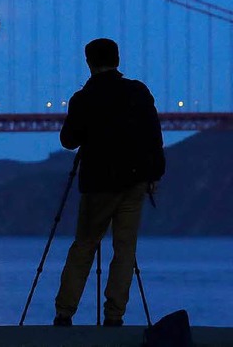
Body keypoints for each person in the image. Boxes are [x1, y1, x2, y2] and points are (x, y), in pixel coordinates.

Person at [53, 38, 165, 327]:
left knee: (85, 245)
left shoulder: (84, 98)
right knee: (125, 249)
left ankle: (65, 313)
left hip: (98, 185)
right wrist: (154, 174)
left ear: (88, 62)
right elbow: (154, 137)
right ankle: (115, 316)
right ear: (117, 59)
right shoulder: (138, 92)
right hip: (135, 181)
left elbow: (68, 140)